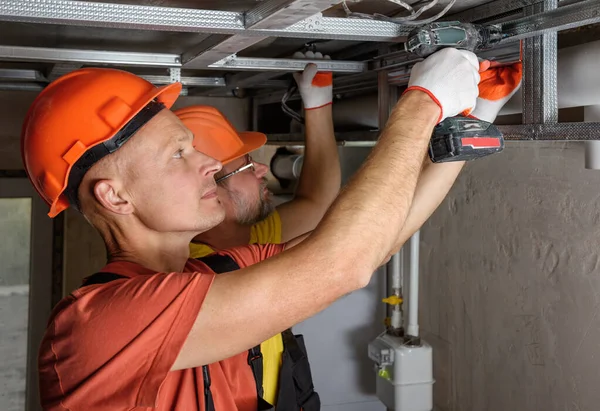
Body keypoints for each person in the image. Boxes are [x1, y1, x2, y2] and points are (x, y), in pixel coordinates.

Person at [22, 49, 519, 411]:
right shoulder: (96, 325)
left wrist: (477, 116)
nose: (206, 165)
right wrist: (421, 103)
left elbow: (371, 245)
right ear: (115, 196)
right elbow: (344, 264)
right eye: (178, 153)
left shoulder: (213, 273)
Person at [173, 63, 339, 406]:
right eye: (248, 166)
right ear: (211, 191)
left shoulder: (244, 236)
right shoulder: (200, 275)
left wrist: (318, 103)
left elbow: (317, 202)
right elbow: (349, 255)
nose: (262, 170)